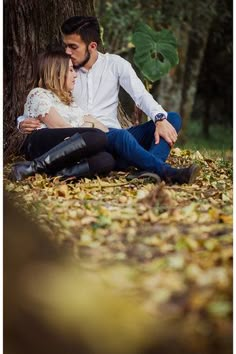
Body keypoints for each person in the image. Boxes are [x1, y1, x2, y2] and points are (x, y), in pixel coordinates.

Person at [17, 16, 200, 184]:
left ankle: (146, 170)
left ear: (92, 46)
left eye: (73, 47)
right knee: (118, 136)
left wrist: (160, 119)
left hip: (114, 136)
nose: (67, 52)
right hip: (84, 141)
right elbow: (45, 101)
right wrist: (21, 122)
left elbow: (141, 95)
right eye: (66, 45)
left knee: (172, 119)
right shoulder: (64, 71)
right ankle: (164, 171)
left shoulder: (114, 64)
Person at [10, 50, 115, 182]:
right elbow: (60, 127)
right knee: (97, 136)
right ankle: (33, 167)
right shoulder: (38, 94)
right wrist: (87, 126)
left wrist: (88, 127)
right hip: (41, 142)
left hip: (61, 148)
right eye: (71, 70)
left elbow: (103, 129)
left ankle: (59, 173)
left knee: (106, 159)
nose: (75, 75)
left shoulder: (70, 103)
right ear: (57, 73)